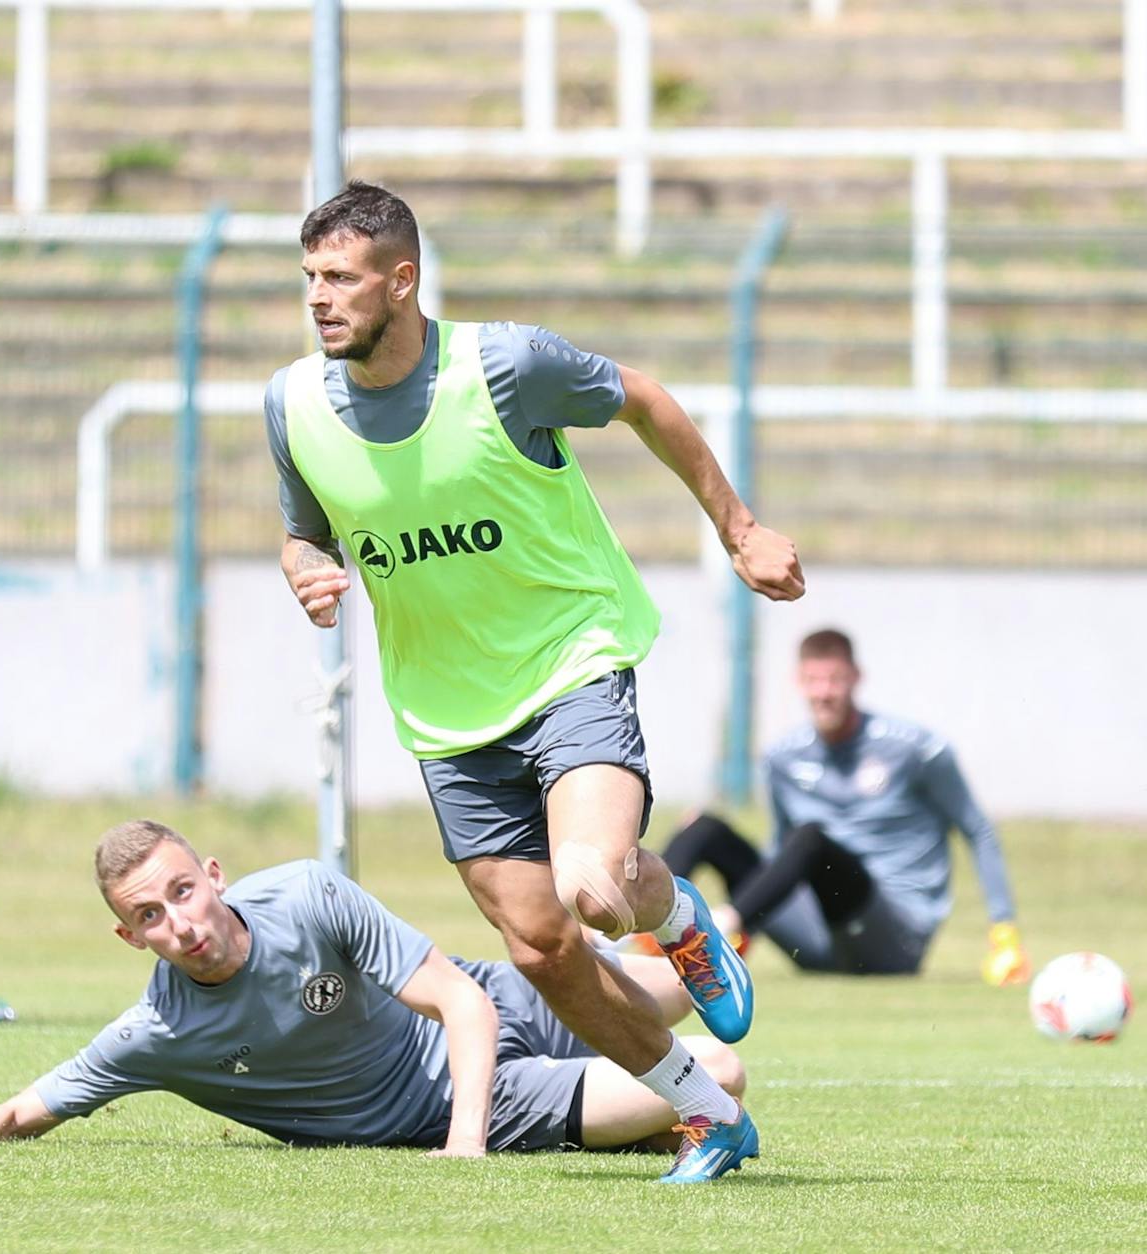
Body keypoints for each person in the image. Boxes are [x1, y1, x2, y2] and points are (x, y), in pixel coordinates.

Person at [262, 181, 802, 1180]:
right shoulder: (292, 405)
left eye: (339, 278)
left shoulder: (502, 365)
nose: (318, 299)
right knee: (542, 952)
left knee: (593, 886)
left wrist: (738, 529)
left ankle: (676, 918)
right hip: (444, 713)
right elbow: (303, 534)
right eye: (309, 279)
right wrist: (305, 572)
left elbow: (641, 398)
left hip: (569, 662)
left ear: (402, 280)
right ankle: (704, 1114)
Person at [0, 820, 747, 1170]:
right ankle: (661, 1120)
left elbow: (463, 1002)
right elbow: (34, 1106)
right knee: (722, 1075)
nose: (179, 922)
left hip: (491, 1005)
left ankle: (685, 925)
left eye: (180, 891)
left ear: (212, 877)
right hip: (484, 1099)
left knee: (685, 993)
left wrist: (465, 1153)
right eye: (149, 917)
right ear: (130, 938)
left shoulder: (308, 895)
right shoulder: (157, 1032)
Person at [663, 628, 1028, 981]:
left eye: (835, 679)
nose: (824, 693)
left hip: (893, 938)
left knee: (812, 840)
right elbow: (780, 849)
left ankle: (719, 931)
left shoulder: (916, 750)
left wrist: (1004, 930)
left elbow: (977, 830)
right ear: (798, 682)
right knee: (704, 828)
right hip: (816, 938)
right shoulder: (782, 758)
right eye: (814, 680)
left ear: (856, 678)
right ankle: (640, 936)